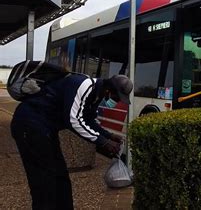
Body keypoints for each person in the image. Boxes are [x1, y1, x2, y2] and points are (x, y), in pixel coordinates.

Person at [10, 73, 133, 210]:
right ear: (108, 91)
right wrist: (104, 142)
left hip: (46, 130)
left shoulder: (96, 96)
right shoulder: (84, 85)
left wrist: (108, 135)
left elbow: (88, 120)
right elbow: (74, 121)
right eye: (117, 98)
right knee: (44, 180)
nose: (116, 102)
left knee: (60, 176)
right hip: (29, 126)